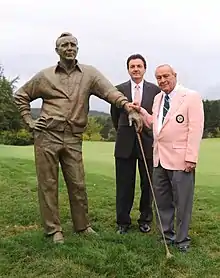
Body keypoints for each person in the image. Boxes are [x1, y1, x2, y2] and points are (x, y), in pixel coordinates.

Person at [14, 32, 143, 244]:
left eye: (73, 44)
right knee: (48, 184)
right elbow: (21, 95)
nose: (69, 47)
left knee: (78, 183)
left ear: (77, 48)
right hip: (47, 136)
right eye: (64, 45)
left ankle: (82, 226)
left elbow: (110, 92)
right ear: (57, 50)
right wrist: (29, 120)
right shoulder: (45, 76)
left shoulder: (89, 74)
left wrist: (128, 107)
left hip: (73, 137)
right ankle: (53, 230)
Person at [129, 64, 204, 251]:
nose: (162, 81)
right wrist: (143, 112)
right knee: (162, 201)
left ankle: (182, 240)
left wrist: (191, 158)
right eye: (158, 78)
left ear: (174, 75)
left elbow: (195, 130)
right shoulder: (158, 98)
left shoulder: (191, 97)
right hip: (159, 159)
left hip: (181, 160)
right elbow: (157, 124)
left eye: (165, 76)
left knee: (182, 203)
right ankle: (166, 236)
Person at [110, 54, 160, 234]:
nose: (136, 69)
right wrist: (125, 130)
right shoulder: (118, 90)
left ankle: (145, 220)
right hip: (125, 144)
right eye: (132, 66)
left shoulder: (155, 90)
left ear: (144, 68)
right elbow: (115, 117)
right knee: (124, 185)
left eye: (139, 66)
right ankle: (123, 222)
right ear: (128, 69)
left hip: (147, 143)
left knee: (148, 184)